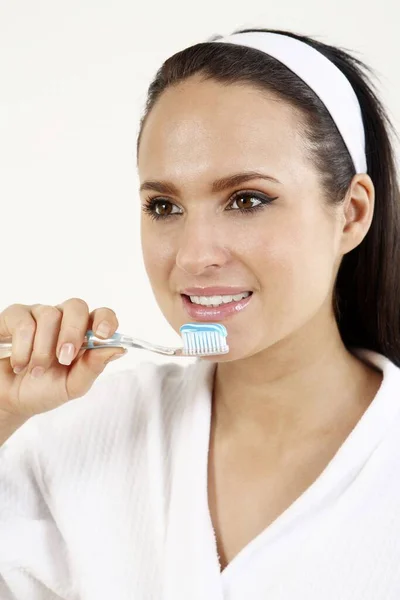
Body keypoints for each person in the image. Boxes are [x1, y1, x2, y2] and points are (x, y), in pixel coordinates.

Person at [1, 27, 400, 600]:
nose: (193, 256)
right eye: (164, 206)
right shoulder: (81, 435)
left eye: (247, 200)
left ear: (352, 213)